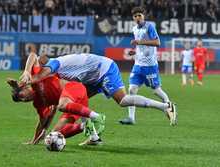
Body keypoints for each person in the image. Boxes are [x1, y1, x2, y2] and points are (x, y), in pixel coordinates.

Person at [25, 53, 177, 127]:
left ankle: (166, 106)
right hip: (92, 78)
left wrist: (29, 78)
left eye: (43, 66)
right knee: (80, 102)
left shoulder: (55, 64)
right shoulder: (58, 73)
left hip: (103, 69)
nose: (43, 69)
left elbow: (40, 73)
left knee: (123, 100)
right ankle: (93, 136)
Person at [119, 6, 172, 125]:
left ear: (144, 16)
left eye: (139, 15)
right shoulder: (134, 29)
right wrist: (135, 51)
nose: (137, 18)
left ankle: (169, 107)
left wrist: (140, 42)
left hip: (150, 66)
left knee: (156, 90)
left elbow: (157, 43)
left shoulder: (150, 27)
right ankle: (131, 118)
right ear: (133, 18)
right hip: (138, 64)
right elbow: (141, 46)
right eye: (135, 16)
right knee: (132, 89)